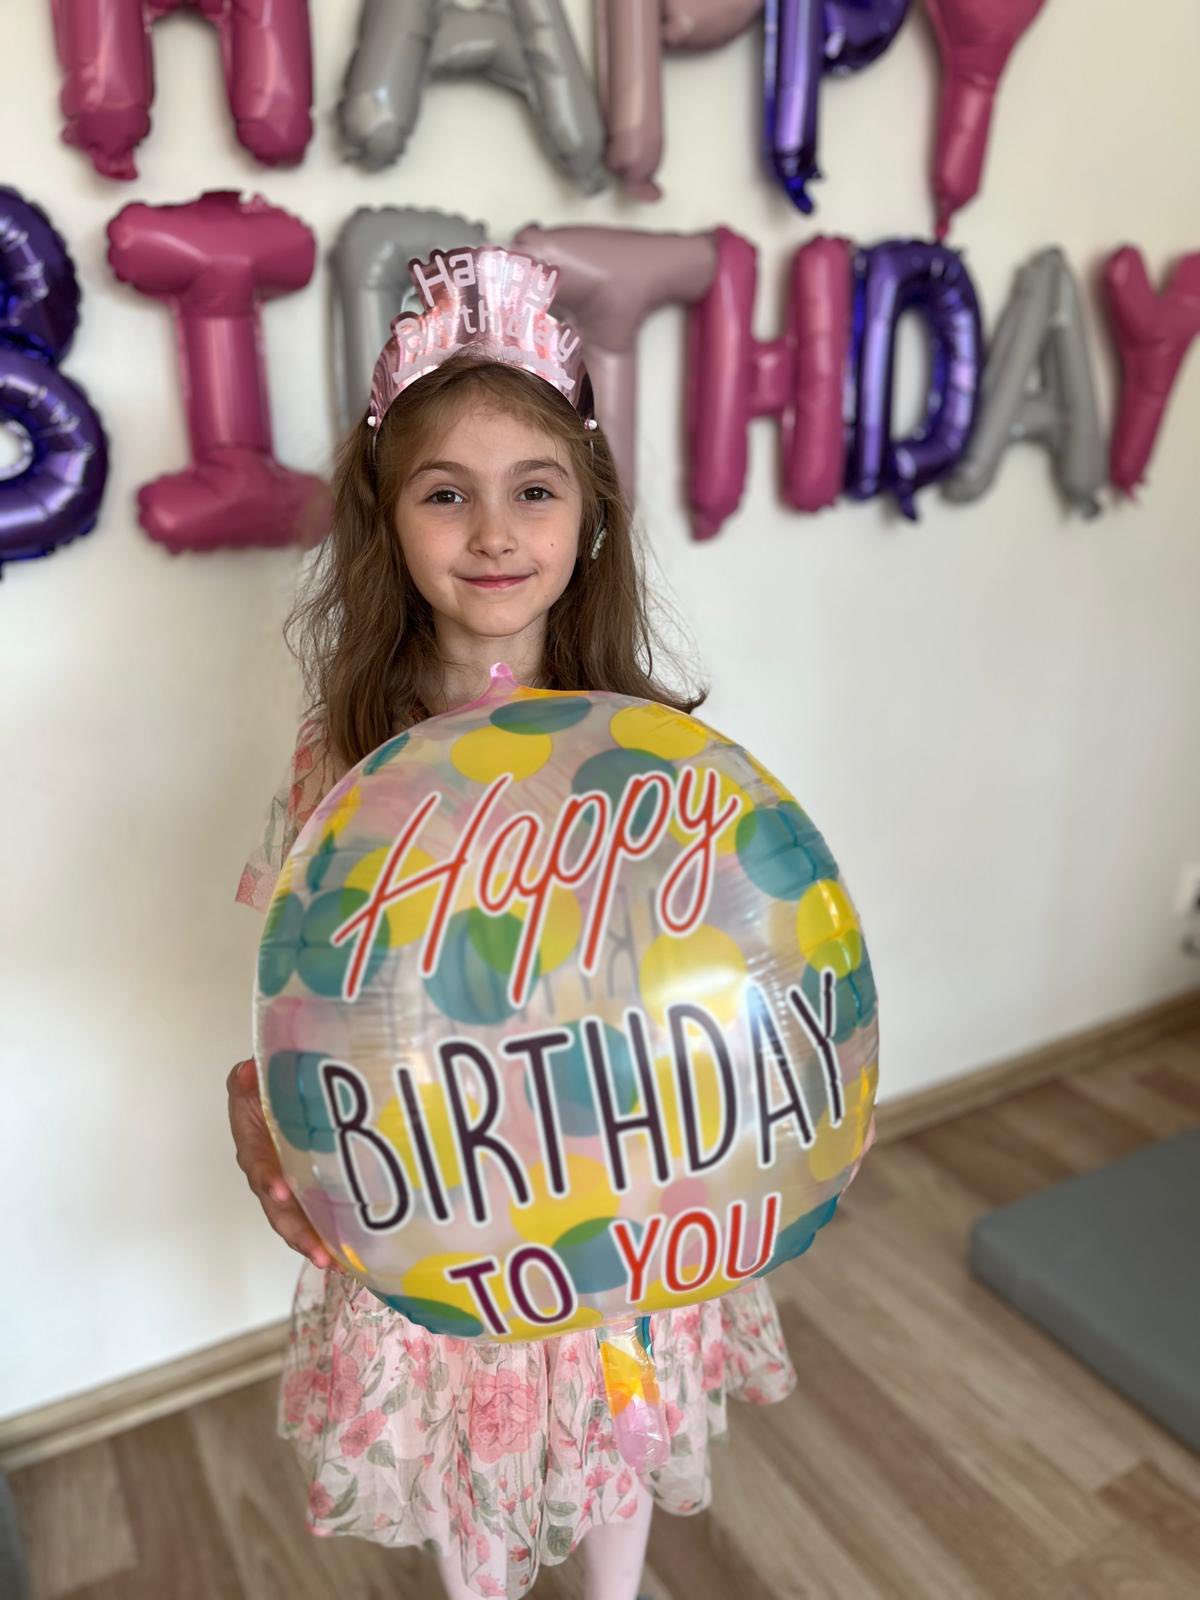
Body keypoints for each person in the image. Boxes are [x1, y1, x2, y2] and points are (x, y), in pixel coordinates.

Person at [226, 247, 799, 1600]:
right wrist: (278, 1109)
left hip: (621, 1156)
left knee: (620, 1414)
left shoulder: (648, 742)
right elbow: (309, 969)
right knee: (465, 1431)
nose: (493, 532)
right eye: (447, 494)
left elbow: (718, 941)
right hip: (442, 1170)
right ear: (389, 522)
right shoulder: (349, 750)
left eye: (533, 490)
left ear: (587, 514)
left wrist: (783, 1074)